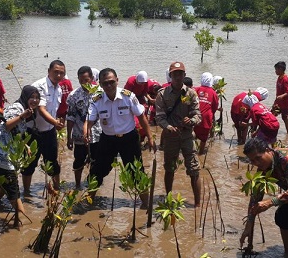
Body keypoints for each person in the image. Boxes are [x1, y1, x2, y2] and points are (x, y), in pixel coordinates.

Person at [85, 68, 154, 205]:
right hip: (108, 139)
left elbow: (141, 116)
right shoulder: (96, 100)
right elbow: (90, 120)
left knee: (137, 172)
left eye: (111, 82)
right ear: (100, 84)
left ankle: (146, 205)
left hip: (129, 139)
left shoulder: (128, 96)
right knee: (98, 170)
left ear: (117, 81)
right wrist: (85, 130)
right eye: (105, 83)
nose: (109, 86)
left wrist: (150, 137)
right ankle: (88, 201)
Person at [155, 62, 202, 207]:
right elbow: (159, 117)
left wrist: (191, 120)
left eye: (180, 73)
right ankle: (169, 200)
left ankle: (197, 205)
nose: (177, 76)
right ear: (170, 76)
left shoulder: (191, 93)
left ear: (184, 76)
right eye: (174, 74)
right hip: (170, 137)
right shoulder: (162, 94)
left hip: (187, 136)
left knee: (194, 169)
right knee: (169, 168)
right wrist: (168, 127)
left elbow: (198, 115)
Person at [0, 86, 40, 217]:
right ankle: (22, 219)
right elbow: (6, 125)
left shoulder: (24, 109)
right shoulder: (17, 108)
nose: (34, 100)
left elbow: (15, 131)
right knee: (13, 187)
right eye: (32, 97)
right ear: (25, 97)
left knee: (6, 180)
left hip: (6, 150)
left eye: (37, 98)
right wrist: (22, 116)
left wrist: (25, 145)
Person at [24, 60, 66, 192]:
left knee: (53, 163)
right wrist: (55, 122)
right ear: (49, 71)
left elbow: (55, 110)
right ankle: (26, 193)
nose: (59, 75)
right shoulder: (39, 86)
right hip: (33, 132)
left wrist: (56, 123)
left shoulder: (58, 88)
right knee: (29, 164)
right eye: (56, 72)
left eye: (62, 73)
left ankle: (57, 190)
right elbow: (41, 110)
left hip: (49, 132)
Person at [66, 66, 102, 189]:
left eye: (87, 80)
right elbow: (70, 117)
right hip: (79, 135)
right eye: (81, 80)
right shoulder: (73, 95)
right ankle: (77, 185)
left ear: (92, 78)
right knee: (78, 161)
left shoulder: (100, 93)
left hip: (97, 134)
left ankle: (93, 186)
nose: (84, 83)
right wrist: (69, 137)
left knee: (96, 161)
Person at [193, 72, 219, 155]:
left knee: (193, 134)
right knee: (204, 138)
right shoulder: (214, 93)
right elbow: (214, 107)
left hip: (195, 115)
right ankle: (200, 153)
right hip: (206, 117)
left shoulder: (196, 89)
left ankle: (192, 152)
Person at [273, 61, 288, 134]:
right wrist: (276, 100)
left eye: (276, 70)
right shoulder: (279, 78)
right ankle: (270, 129)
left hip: (285, 103)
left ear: (281, 69)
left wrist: (282, 96)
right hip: (278, 103)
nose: (275, 71)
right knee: (272, 115)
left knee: (284, 118)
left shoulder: (285, 79)